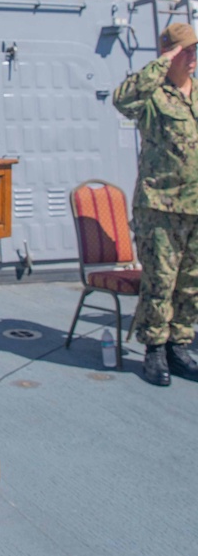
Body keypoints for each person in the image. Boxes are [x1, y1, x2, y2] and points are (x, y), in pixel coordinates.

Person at [113, 21, 198, 387]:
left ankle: (180, 346)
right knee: (160, 282)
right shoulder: (153, 97)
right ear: (171, 54)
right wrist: (160, 64)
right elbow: (122, 99)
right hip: (160, 206)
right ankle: (155, 350)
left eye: (195, 50)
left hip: (195, 206)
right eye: (187, 50)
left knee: (191, 282)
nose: (193, 57)